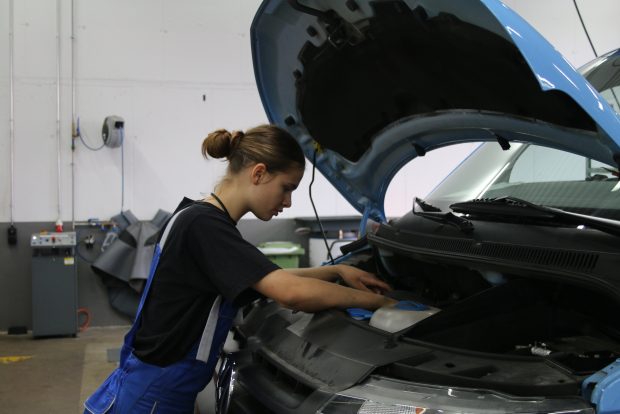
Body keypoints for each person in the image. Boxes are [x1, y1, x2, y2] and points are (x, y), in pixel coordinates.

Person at [84, 124, 396, 414]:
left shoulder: (194, 215)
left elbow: (266, 278)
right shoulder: (206, 227)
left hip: (149, 384)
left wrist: (336, 272)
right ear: (259, 173)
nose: (287, 202)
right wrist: (380, 304)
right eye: (286, 188)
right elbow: (289, 293)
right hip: (152, 396)